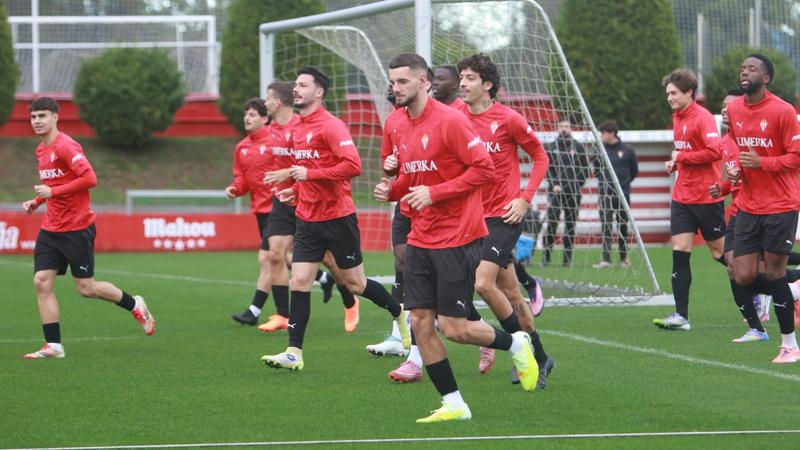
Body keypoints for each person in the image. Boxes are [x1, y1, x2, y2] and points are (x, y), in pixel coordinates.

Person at [374, 53, 538, 423]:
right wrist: (394, 188)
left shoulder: (451, 121)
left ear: (424, 82)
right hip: (421, 235)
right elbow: (411, 179)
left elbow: (485, 170)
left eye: (403, 81)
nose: (395, 88)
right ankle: (454, 403)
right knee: (419, 323)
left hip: (458, 237)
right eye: (393, 81)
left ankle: (516, 341)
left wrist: (435, 194)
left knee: (456, 328)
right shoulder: (396, 124)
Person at [260, 66, 409, 371]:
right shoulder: (297, 129)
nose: (296, 89)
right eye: (294, 84)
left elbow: (353, 166)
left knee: (355, 284)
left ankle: (399, 312)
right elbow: (305, 172)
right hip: (306, 219)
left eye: (302, 85)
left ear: (319, 92)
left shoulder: (332, 126)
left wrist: (309, 174)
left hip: (338, 218)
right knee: (299, 281)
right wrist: (295, 192)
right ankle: (293, 353)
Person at [21, 97, 155, 359]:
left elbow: (89, 178)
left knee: (87, 288)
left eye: (43, 116)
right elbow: (55, 183)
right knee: (41, 281)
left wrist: (52, 191)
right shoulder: (41, 150)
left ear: (56, 117)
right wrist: (37, 201)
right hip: (51, 228)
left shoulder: (66, 146)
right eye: (34, 116)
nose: (37, 121)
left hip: (76, 228)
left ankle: (134, 303)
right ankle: (54, 346)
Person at [455, 53, 554, 383]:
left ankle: (518, 349)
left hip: (503, 217)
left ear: (487, 85)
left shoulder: (508, 119)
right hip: (470, 218)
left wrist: (525, 199)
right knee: (511, 293)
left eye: (469, 78)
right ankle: (540, 357)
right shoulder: (454, 116)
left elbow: (540, 157)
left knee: (483, 283)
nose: (462, 84)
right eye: (461, 77)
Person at [255, 82, 358, 333]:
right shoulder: (271, 130)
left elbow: (313, 161)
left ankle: (348, 298)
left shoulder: (301, 126)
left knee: (331, 261)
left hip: (312, 197)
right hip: (285, 198)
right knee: (274, 254)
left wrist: (287, 173)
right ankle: (282, 314)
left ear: (278, 102)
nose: (265, 103)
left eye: (268, 98)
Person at [726, 54, 800, 363]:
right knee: (740, 273)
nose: (745, 71)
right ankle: (792, 289)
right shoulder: (733, 109)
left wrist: (762, 163)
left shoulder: (783, 111)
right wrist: (736, 173)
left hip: (781, 204)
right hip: (748, 206)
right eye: (743, 68)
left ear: (766, 78)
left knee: (773, 272)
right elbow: (738, 150)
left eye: (752, 68)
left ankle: (789, 345)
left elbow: (796, 158)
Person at [653, 68, 726, 331]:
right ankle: (681, 315)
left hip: (706, 198)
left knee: (722, 254)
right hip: (682, 197)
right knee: (679, 253)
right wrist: (676, 161)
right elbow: (685, 151)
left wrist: (682, 158)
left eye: (673, 93)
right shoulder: (677, 116)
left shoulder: (703, 117)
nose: (669, 98)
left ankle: (781, 281)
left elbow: (715, 152)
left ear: (689, 93)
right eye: (668, 94)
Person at [542, 119, 590, 267]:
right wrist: (554, 183)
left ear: (571, 128)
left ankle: (567, 261)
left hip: (573, 194)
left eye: (567, 126)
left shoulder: (578, 147)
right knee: (551, 225)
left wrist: (576, 185)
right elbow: (546, 168)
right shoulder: (551, 146)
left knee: (570, 226)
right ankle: (546, 258)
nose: (564, 129)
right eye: (561, 126)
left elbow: (585, 170)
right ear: (557, 128)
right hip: (555, 193)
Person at [594, 120, 638, 269]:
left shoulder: (627, 150)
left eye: (603, 133)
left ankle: (624, 257)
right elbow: (597, 170)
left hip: (622, 194)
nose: (601, 136)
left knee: (622, 226)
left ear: (612, 133)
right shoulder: (600, 150)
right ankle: (606, 259)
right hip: (605, 194)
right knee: (606, 226)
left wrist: (623, 185)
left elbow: (634, 171)